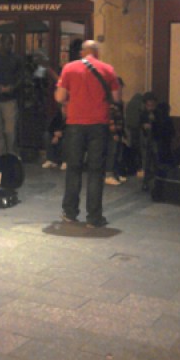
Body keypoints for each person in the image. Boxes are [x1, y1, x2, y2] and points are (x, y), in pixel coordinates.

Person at [55, 39, 120, 228]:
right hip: (99, 124)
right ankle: (94, 217)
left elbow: (60, 97)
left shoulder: (69, 68)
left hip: (75, 124)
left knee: (73, 168)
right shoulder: (108, 69)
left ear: (82, 53)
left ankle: (70, 212)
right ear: (97, 53)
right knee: (95, 171)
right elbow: (116, 98)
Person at [0, 33, 24, 156]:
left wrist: (12, 87)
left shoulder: (16, 59)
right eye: (6, 43)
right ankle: (0, 154)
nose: (8, 46)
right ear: (1, 43)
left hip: (10, 98)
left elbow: (21, 77)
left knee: (10, 129)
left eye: (10, 44)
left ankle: (10, 154)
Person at [138, 92, 175, 190]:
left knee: (157, 160)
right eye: (148, 105)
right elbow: (140, 124)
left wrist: (154, 124)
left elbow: (163, 128)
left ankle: (158, 181)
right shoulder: (143, 114)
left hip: (156, 140)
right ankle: (147, 182)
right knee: (146, 161)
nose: (150, 107)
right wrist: (144, 126)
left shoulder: (159, 113)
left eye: (152, 105)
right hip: (147, 140)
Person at [105, 77, 127, 186]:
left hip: (118, 130)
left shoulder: (119, 102)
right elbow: (110, 117)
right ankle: (109, 174)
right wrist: (113, 133)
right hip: (111, 131)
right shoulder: (110, 101)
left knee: (118, 152)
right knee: (112, 152)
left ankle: (116, 173)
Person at [42, 103, 67, 170]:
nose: (65, 110)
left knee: (66, 140)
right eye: (63, 108)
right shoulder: (58, 116)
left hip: (66, 136)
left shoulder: (72, 117)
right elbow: (51, 127)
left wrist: (62, 133)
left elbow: (71, 129)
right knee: (47, 135)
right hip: (58, 136)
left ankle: (65, 161)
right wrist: (55, 134)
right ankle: (50, 160)